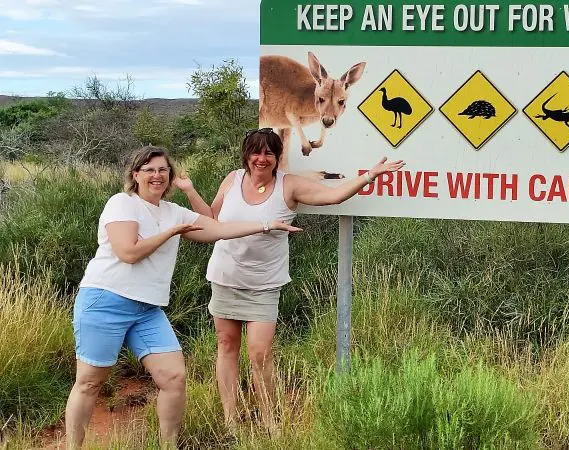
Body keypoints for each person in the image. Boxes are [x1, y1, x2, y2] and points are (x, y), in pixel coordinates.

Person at [65, 145, 302, 449]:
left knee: (174, 378)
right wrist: (171, 232)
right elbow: (128, 253)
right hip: (106, 300)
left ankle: (168, 445)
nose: (157, 176)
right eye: (149, 170)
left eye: (163, 170)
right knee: (89, 382)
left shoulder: (173, 212)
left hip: (147, 308)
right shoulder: (123, 203)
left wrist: (267, 224)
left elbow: (219, 229)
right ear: (135, 174)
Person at [177, 127, 404, 427]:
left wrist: (368, 176)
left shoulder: (289, 185)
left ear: (277, 157)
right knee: (226, 345)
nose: (261, 158)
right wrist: (190, 190)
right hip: (225, 276)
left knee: (259, 354)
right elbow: (212, 220)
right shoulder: (232, 179)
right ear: (246, 154)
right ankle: (231, 420)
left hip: (264, 284)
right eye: (256, 152)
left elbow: (333, 196)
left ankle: (271, 421)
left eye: (269, 153)